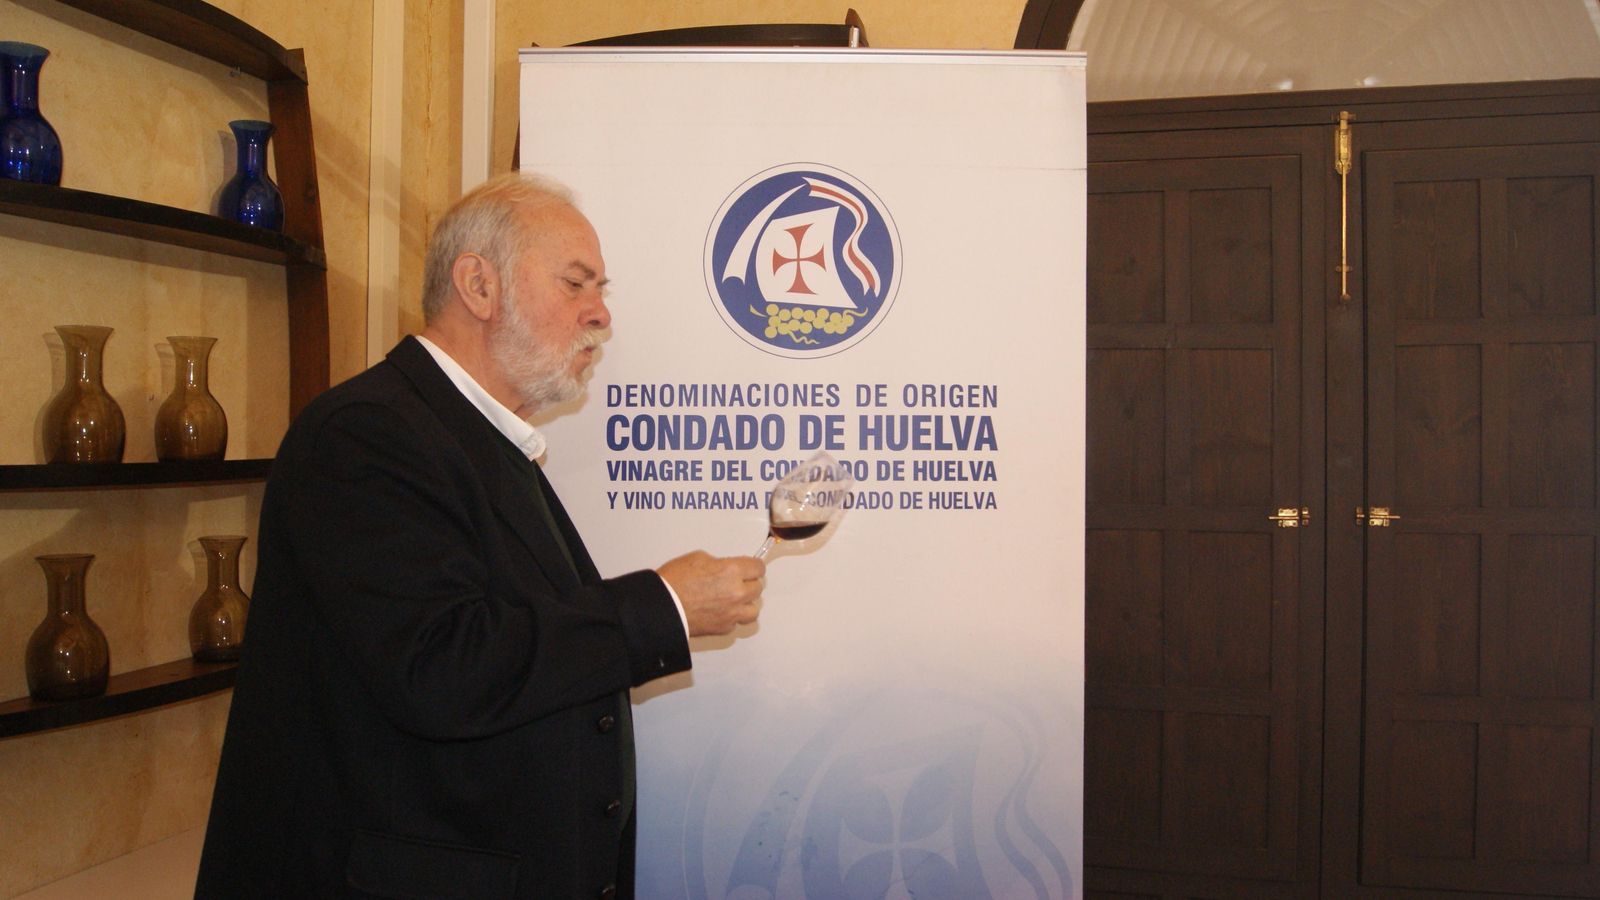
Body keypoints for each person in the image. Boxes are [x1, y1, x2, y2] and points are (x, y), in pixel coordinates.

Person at [194, 173, 766, 899]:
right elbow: (442, 668)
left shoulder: (478, 440)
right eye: (576, 284)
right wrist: (663, 606)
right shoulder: (367, 435)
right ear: (478, 285)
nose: (600, 316)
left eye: (602, 290)